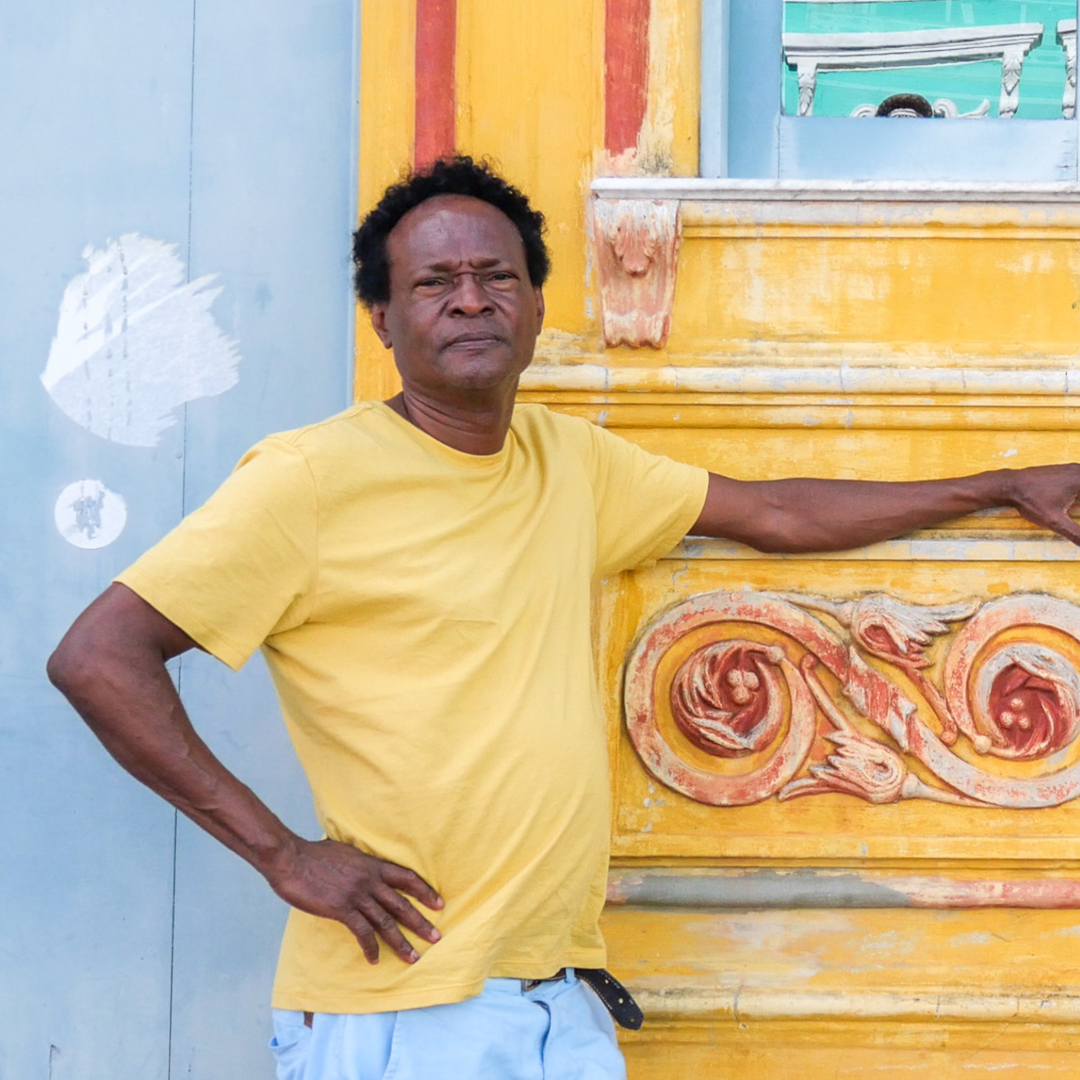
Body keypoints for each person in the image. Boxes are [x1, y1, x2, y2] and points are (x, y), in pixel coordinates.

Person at [47, 156, 1080, 1080]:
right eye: (434, 283)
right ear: (383, 319)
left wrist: (997, 486)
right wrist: (283, 855)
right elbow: (99, 656)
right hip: (406, 1003)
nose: (470, 300)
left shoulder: (567, 461)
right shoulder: (309, 480)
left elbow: (775, 512)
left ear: (536, 306)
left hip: (557, 998)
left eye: (496, 276)